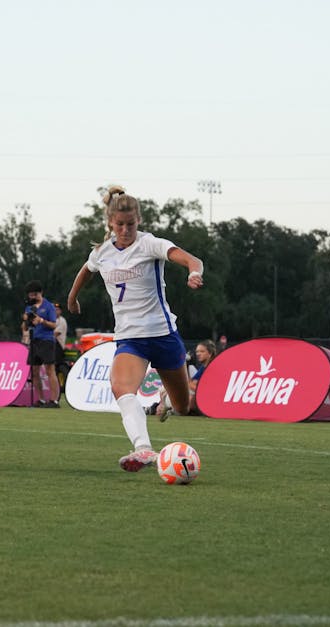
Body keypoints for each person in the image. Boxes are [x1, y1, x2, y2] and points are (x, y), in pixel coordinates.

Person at [66, 184, 204, 472]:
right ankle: (143, 449)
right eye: (120, 225)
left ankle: (164, 398)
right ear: (110, 224)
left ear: (138, 221)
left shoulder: (150, 244)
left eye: (130, 224)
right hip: (130, 338)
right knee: (121, 388)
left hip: (162, 334)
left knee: (183, 406)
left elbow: (192, 259)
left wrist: (193, 272)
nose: (125, 230)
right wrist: (72, 297)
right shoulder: (103, 252)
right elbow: (86, 270)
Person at [23, 280, 61, 408]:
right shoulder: (29, 307)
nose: (32, 297)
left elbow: (54, 325)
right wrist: (25, 320)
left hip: (47, 340)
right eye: (30, 295)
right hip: (34, 340)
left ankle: (54, 400)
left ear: (40, 293)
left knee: (50, 369)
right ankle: (40, 399)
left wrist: (41, 320)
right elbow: (24, 328)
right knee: (34, 371)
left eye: (35, 294)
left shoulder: (48, 306)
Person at [156, 339, 217, 419]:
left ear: (210, 353)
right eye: (197, 352)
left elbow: (199, 388)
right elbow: (192, 383)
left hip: (204, 399)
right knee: (164, 390)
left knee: (181, 397)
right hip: (196, 396)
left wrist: (189, 383)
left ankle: (169, 409)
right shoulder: (203, 368)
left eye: (202, 351)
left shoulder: (212, 368)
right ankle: (165, 408)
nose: (198, 354)